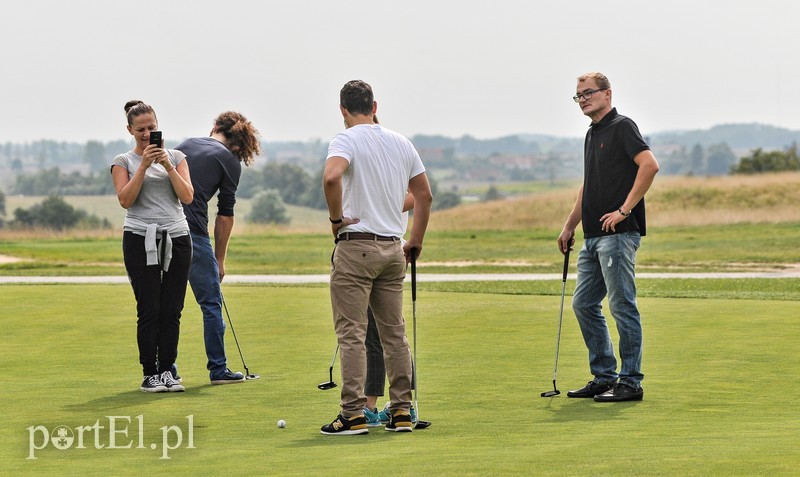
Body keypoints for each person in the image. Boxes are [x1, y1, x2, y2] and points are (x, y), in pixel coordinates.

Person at [321, 80, 433, 435]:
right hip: (393, 248)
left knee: (352, 333)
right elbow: (424, 196)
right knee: (394, 334)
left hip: (357, 246)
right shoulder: (401, 142)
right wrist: (414, 240)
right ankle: (401, 410)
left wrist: (336, 221)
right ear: (374, 105)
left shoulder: (345, 139)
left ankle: (353, 413)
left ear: (343, 110)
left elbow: (331, 176)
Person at [557, 72, 660, 402]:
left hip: (618, 235)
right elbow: (588, 186)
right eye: (579, 96)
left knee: (621, 305)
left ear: (607, 94)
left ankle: (630, 382)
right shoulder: (591, 134)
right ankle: (604, 377)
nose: (583, 99)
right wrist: (570, 225)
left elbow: (649, 166)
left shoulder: (622, 127)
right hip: (591, 236)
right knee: (584, 304)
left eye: (588, 93)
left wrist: (625, 210)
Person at [111, 100, 195, 393]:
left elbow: (187, 196)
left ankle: (168, 369)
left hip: (176, 236)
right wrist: (144, 165)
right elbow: (125, 199)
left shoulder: (176, 157)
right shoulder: (123, 161)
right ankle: (150, 373)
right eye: (141, 130)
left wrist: (167, 165)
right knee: (149, 307)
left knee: (172, 308)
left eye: (152, 128)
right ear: (130, 130)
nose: (147, 134)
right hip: (139, 237)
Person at [175, 112, 262, 385]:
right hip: (194, 235)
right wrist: (219, 259)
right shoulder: (230, 162)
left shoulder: (184, 145)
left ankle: (163, 371)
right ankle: (218, 370)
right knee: (211, 304)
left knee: (167, 306)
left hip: (163, 230)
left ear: (214, 127)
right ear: (241, 145)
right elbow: (225, 215)